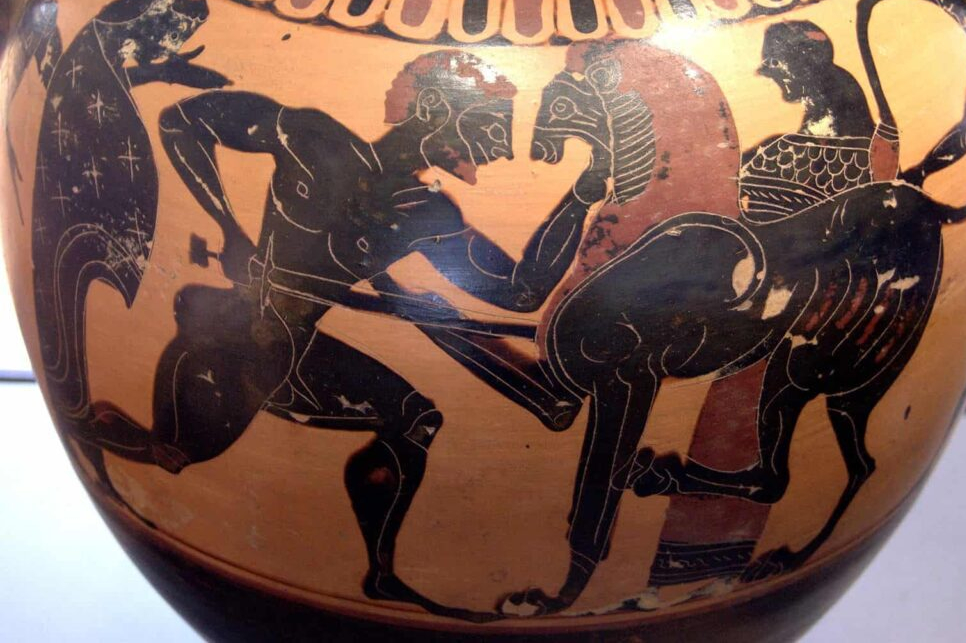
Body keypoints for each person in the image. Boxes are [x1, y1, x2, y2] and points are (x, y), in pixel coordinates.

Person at [70, 50, 607, 620]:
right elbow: (182, 121)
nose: (499, 147)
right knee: (176, 453)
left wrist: (582, 195)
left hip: (295, 350)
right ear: (433, 106)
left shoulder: (424, 215)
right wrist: (228, 227)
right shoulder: (312, 138)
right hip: (235, 339)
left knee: (415, 417)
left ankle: (381, 576)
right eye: (489, 126)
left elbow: (521, 292)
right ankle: (87, 427)